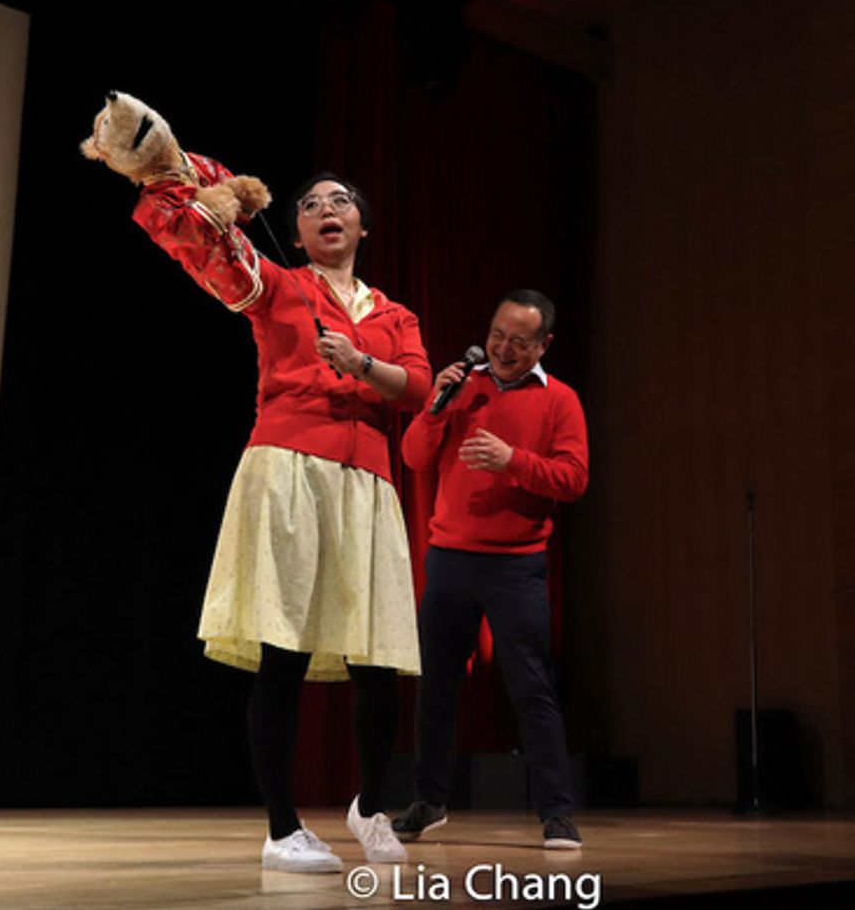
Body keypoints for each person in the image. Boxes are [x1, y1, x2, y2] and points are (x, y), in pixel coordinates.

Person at [133, 170, 432, 872]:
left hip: (367, 483)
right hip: (290, 469)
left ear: (364, 226)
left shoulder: (394, 314)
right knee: (284, 650)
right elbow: (199, 243)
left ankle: (369, 804)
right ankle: (281, 826)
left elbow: (416, 387)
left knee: (378, 658)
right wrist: (197, 189)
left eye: (341, 202)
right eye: (309, 204)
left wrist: (361, 363)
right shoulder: (275, 282)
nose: (326, 210)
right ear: (295, 232)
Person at [394, 290, 589, 850]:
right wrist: (436, 404)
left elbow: (574, 479)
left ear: (543, 345)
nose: (503, 348)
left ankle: (557, 812)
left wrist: (513, 462)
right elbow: (413, 456)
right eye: (498, 334)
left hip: (516, 565)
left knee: (532, 689)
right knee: (437, 687)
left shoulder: (561, 401)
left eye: (520, 341)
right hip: (450, 559)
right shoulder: (462, 387)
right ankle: (428, 801)